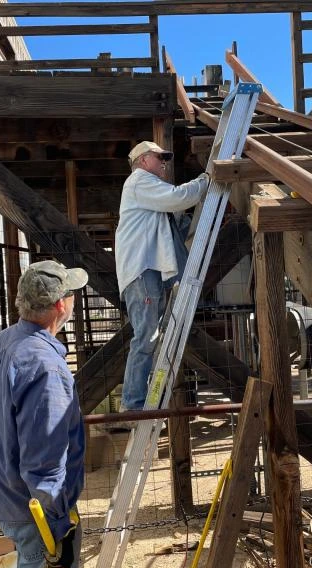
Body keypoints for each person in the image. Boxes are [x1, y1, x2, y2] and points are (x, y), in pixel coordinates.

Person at [0, 259, 88, 568]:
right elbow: (44, 455)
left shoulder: (2, 341)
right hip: (31, 506)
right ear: (59, 305)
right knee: (43, 566)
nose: (74, 300)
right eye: (72, 294)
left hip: (1, 490)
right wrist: (55, 520)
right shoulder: (44, 365)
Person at [115, 141, 211, 412]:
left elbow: (172, 215)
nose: (165, 162)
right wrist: (205, 180)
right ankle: (133, 403)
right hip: (141, 270)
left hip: (147, 269)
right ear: (144, 160)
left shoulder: (144, 187)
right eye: (160, 157)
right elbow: (178, 198)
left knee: (149, 336)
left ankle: (137, 399)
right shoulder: (139, 181)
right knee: (146, 336)